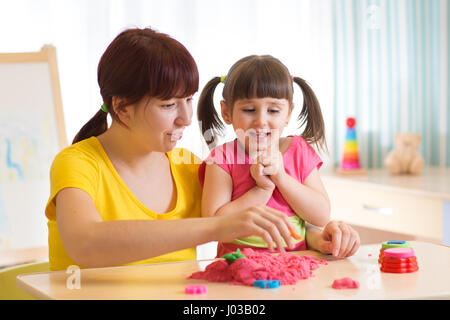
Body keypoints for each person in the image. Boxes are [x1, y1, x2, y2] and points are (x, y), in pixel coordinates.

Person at [45, 27, 359, 271]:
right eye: (169, 104)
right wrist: (217, 226)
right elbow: (86, 243)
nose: (185, 118)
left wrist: (319, 238)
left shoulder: (189, 165)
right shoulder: (78, 163)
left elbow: (262, 223)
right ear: (122, 108)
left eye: (188, 100)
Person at [197, 55, 359, 258]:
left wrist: (281, 177)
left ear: (288, 114)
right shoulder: (222, 158)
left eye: (273, 110)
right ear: (227, 112)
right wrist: (262, 189)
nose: (261, 121)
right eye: (249, 110)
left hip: (297, 266)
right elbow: (213, 224)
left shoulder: (298, 151)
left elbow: (321, 215)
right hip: (237, 268)